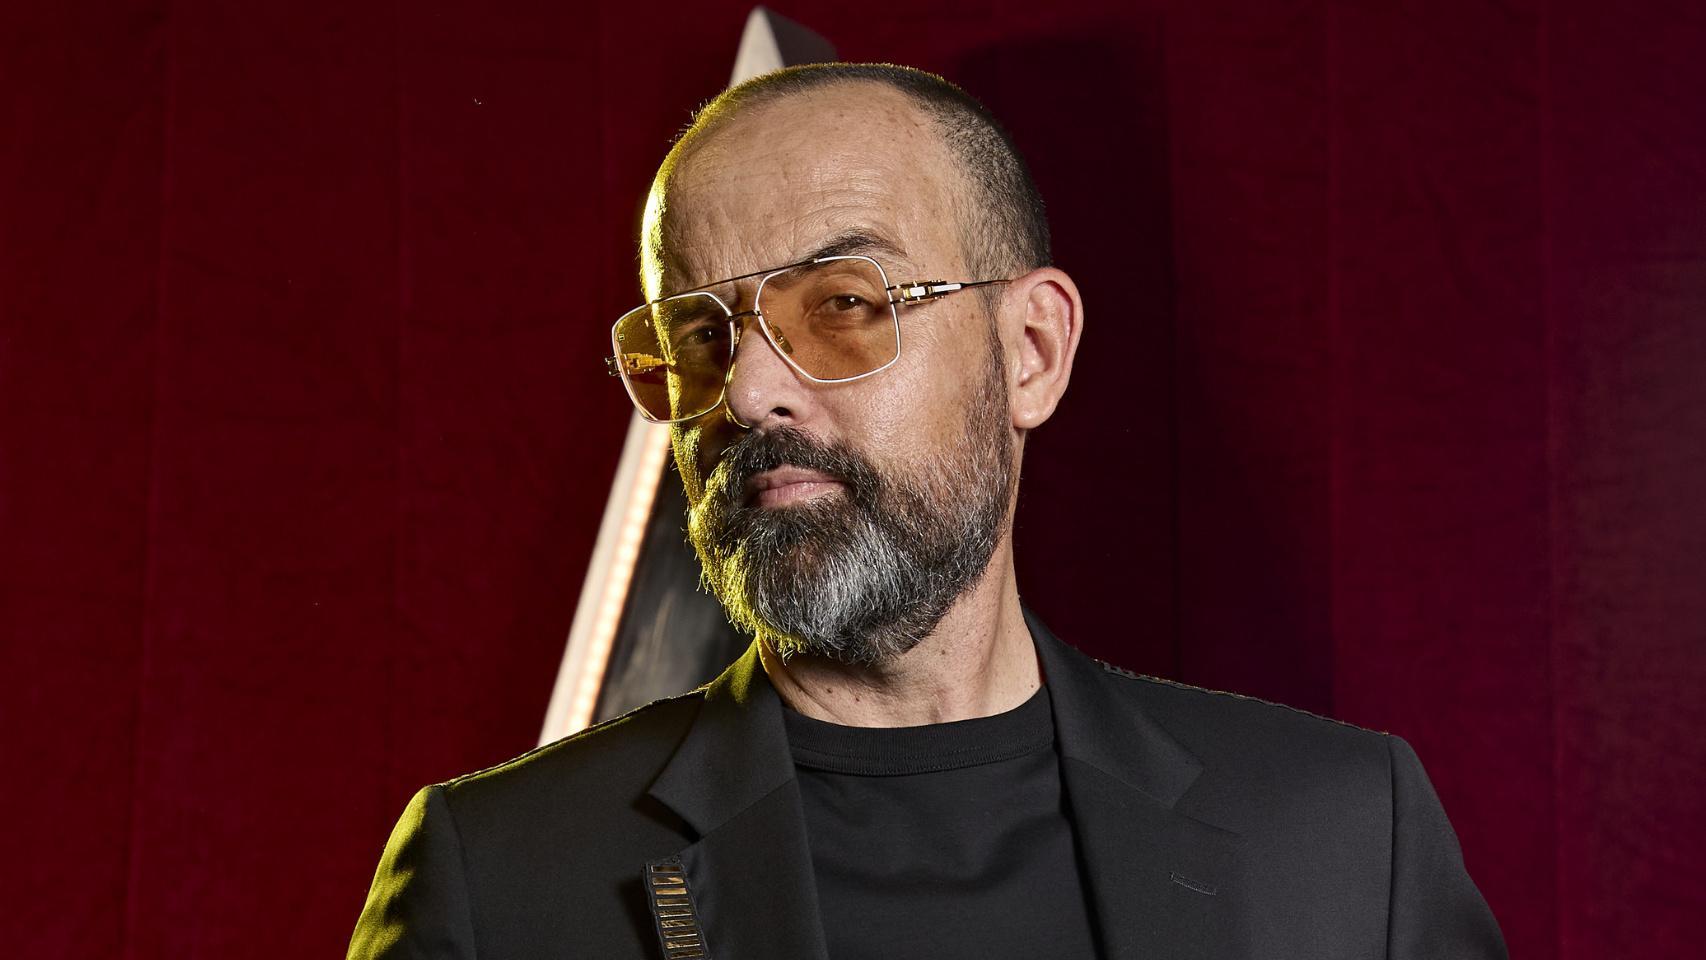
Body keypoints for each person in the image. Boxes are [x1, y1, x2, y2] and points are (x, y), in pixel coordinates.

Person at [347, 63, 1507, 960]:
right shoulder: (499, 875)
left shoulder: (1346, 834)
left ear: (1030, 352)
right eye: (701, 333)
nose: (746, 393)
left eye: (842, 303)